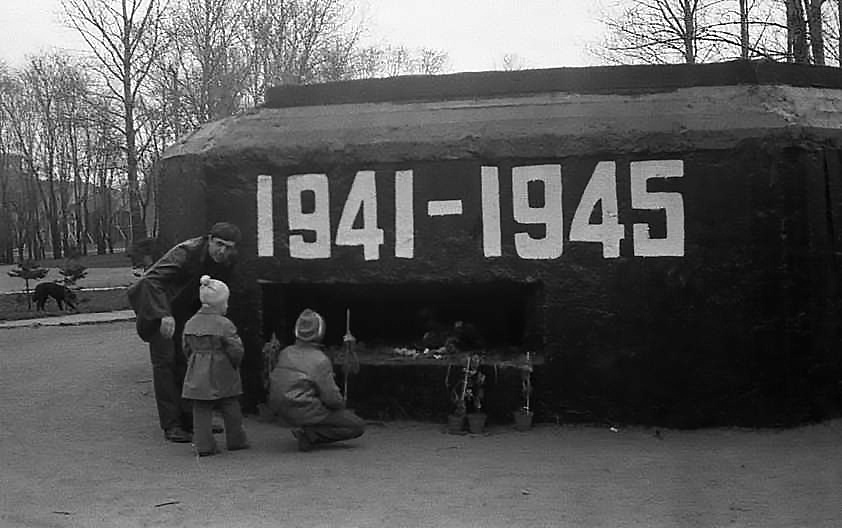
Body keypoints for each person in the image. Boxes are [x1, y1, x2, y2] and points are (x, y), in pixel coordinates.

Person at [127, 222, 241, 443]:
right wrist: (163, 314)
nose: (222, 251)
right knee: (165, 365)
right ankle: (172, 425)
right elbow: (150, 281)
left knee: (186, 362)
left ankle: (192, 420)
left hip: (185, 313)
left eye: (228, 247)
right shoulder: (185, 252)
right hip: (159, 312)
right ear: (209, 239)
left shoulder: (226, 259)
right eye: (219, 244)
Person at [268, 308, 366, 452]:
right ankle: (311, 434)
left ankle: (307, 429)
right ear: (320, 332)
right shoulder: (320, 360)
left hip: (279, 408)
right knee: (356, 425)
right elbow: (332, 399)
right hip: (304, 408)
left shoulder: (286, 352)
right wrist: (341, 405)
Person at [182, 275, 249, 456]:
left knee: (201, 408)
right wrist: (236, 364)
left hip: (197, 369)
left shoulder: (190, 323)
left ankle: (204, 445)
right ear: (220, 303)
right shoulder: (225, 324)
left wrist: (194, 362)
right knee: (230, 403)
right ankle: (236, 440)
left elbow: (186, 348)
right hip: (222, 368)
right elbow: (235, 349)